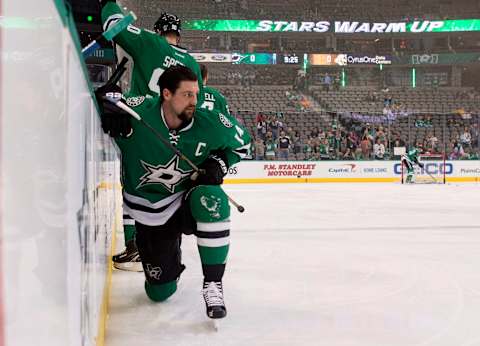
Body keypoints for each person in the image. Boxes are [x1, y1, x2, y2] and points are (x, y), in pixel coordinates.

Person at [95, 65, 251, 318]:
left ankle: (213, 284)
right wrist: (107, 98)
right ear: (166, 94)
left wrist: (220, 163)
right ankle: (167, 261)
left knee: (212, 197)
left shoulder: (209, 122)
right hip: (150, 211)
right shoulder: (138, 110)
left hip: (186, 198)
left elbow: (243, 143)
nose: (194, 101)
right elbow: (106, 100)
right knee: (160, 292)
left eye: (196, 94)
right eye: (187, 95)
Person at [101, 0, 205, 270]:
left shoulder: (151, 42)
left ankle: (135, 245)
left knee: (134, 185)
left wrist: (109, 4)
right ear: (178, 34)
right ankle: (166, 249)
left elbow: (113, 27)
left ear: (159, 31)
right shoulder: (191, 63)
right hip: (171, 134)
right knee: (165, 188)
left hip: (140, 123)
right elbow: (197, 107)